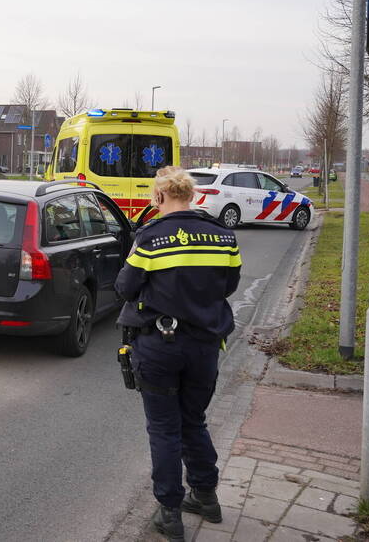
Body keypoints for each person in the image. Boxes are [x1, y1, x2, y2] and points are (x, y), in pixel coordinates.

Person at [115, 166, 241, 542]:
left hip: (159, 346)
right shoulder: (224, 235)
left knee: (165, 428)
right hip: (205, 346)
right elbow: (229, 285)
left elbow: (125, 287)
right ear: (192, 195)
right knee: (194, 421)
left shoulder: (151, 237)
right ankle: (205, 496)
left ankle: (170, 513)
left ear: (158, 196)